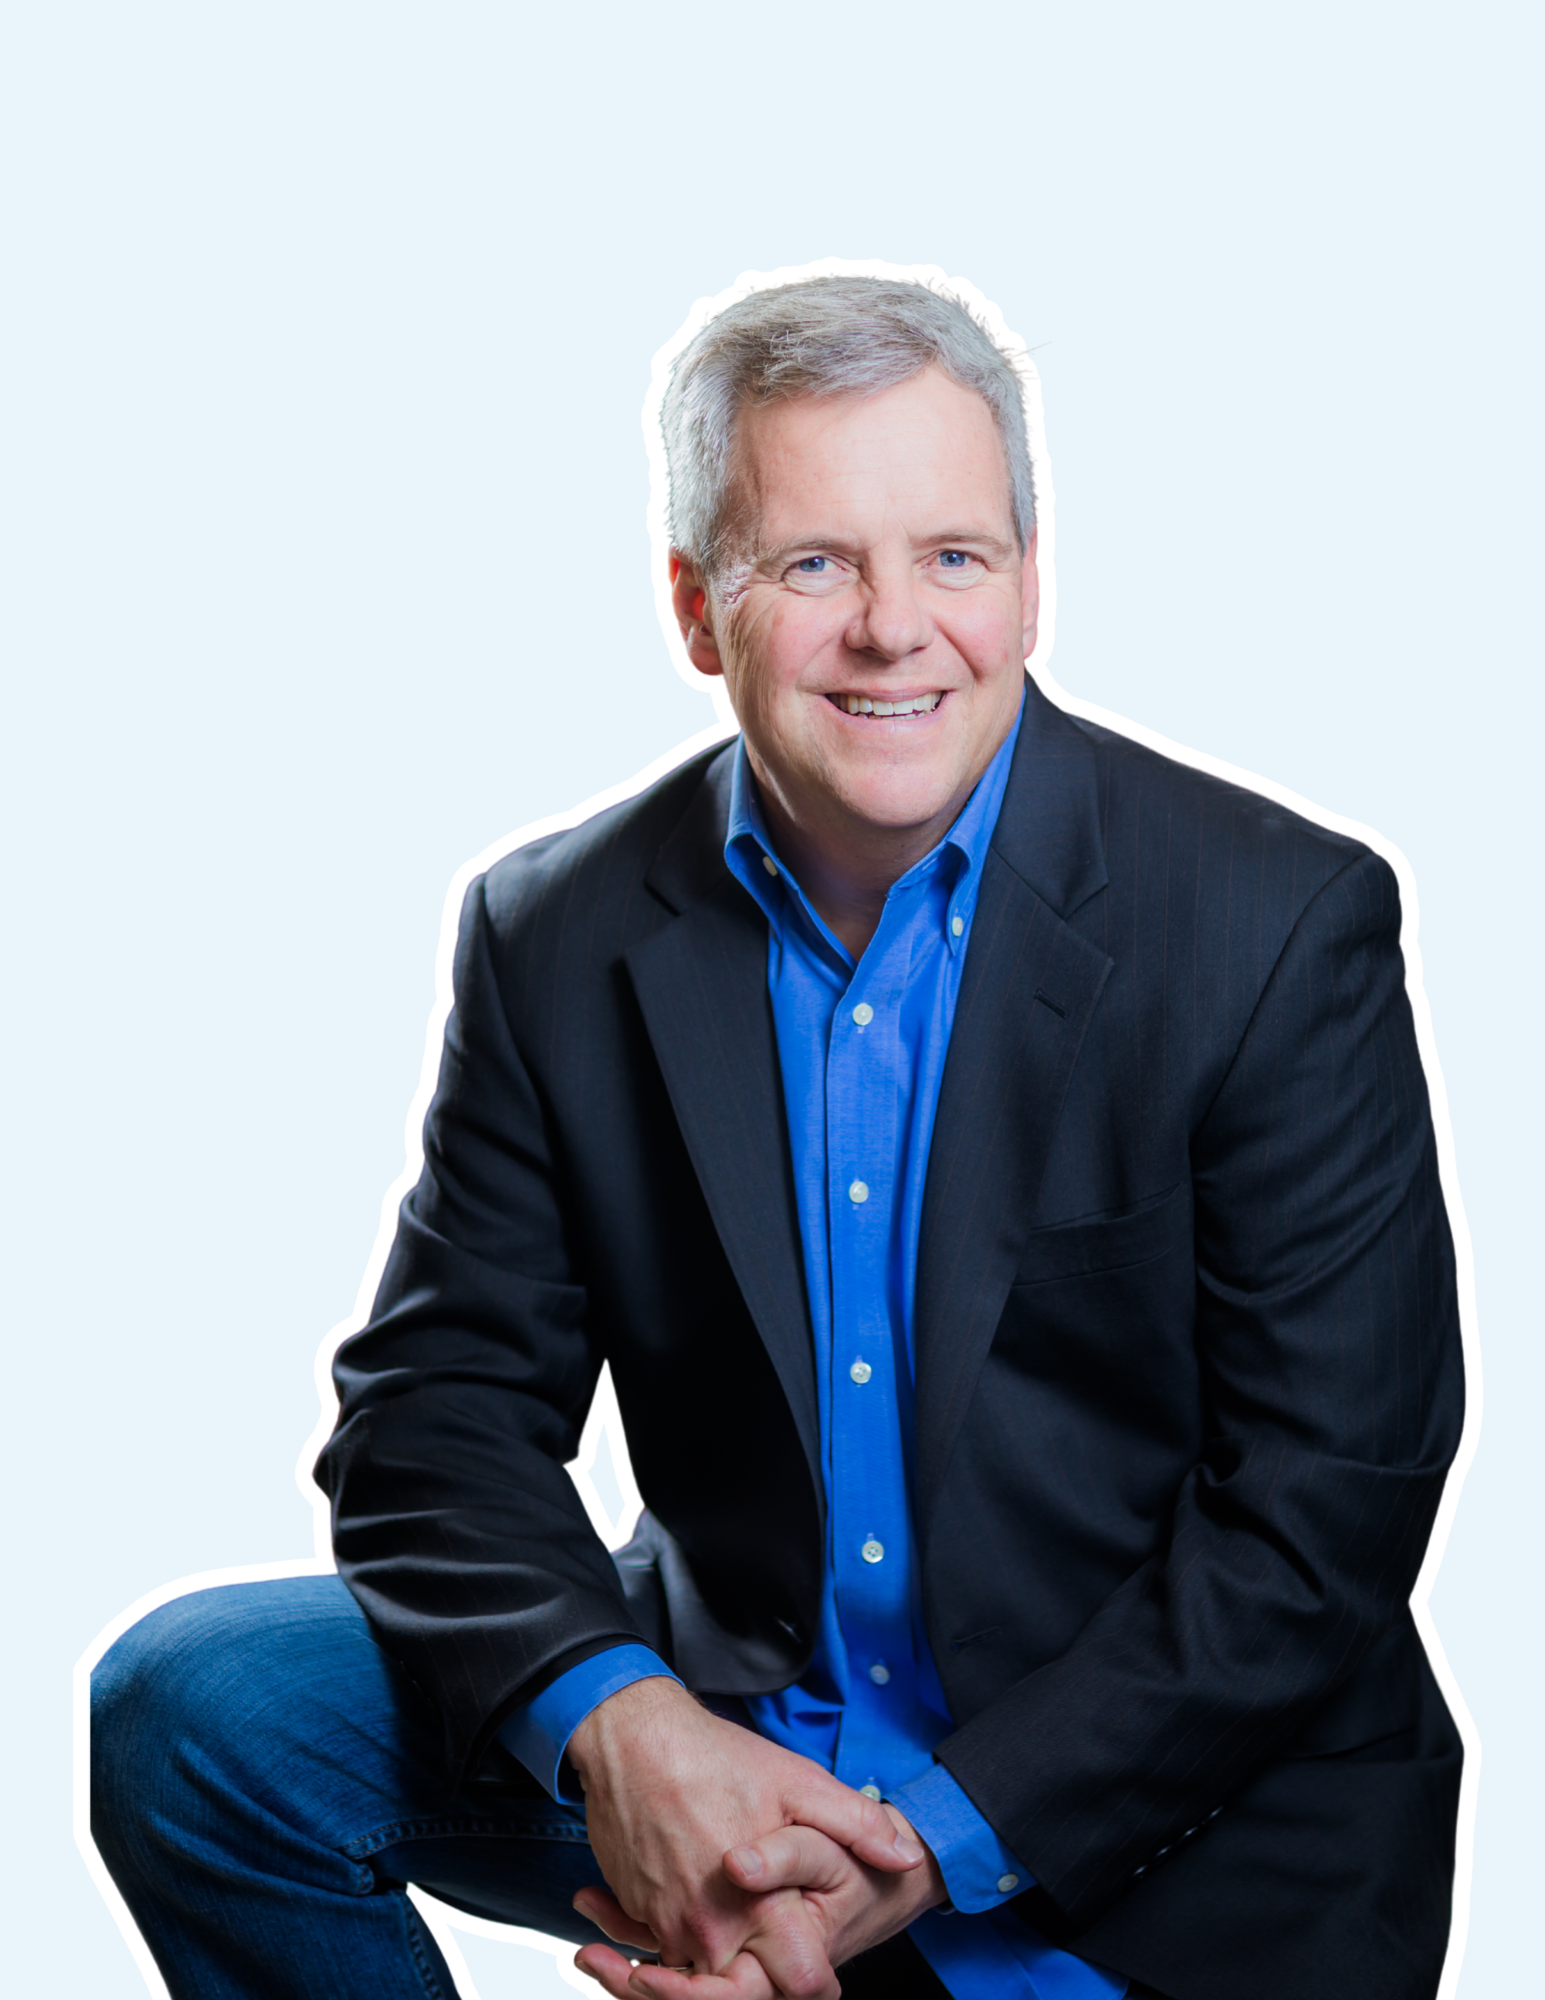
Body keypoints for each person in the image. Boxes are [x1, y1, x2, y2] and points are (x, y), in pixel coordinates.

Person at [90, 276, 1465, 2000]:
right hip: (743, 1741)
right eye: (814, 564)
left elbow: (1323, 1515)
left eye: (954, 556)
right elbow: (435, 1419)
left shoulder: (1271, 923)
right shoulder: (561, 929)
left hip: (1156, 1835)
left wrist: (924, 1850)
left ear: (1032, 583)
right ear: (694, 605)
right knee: (200, 1713)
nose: (896, 628)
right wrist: (628, 1734)